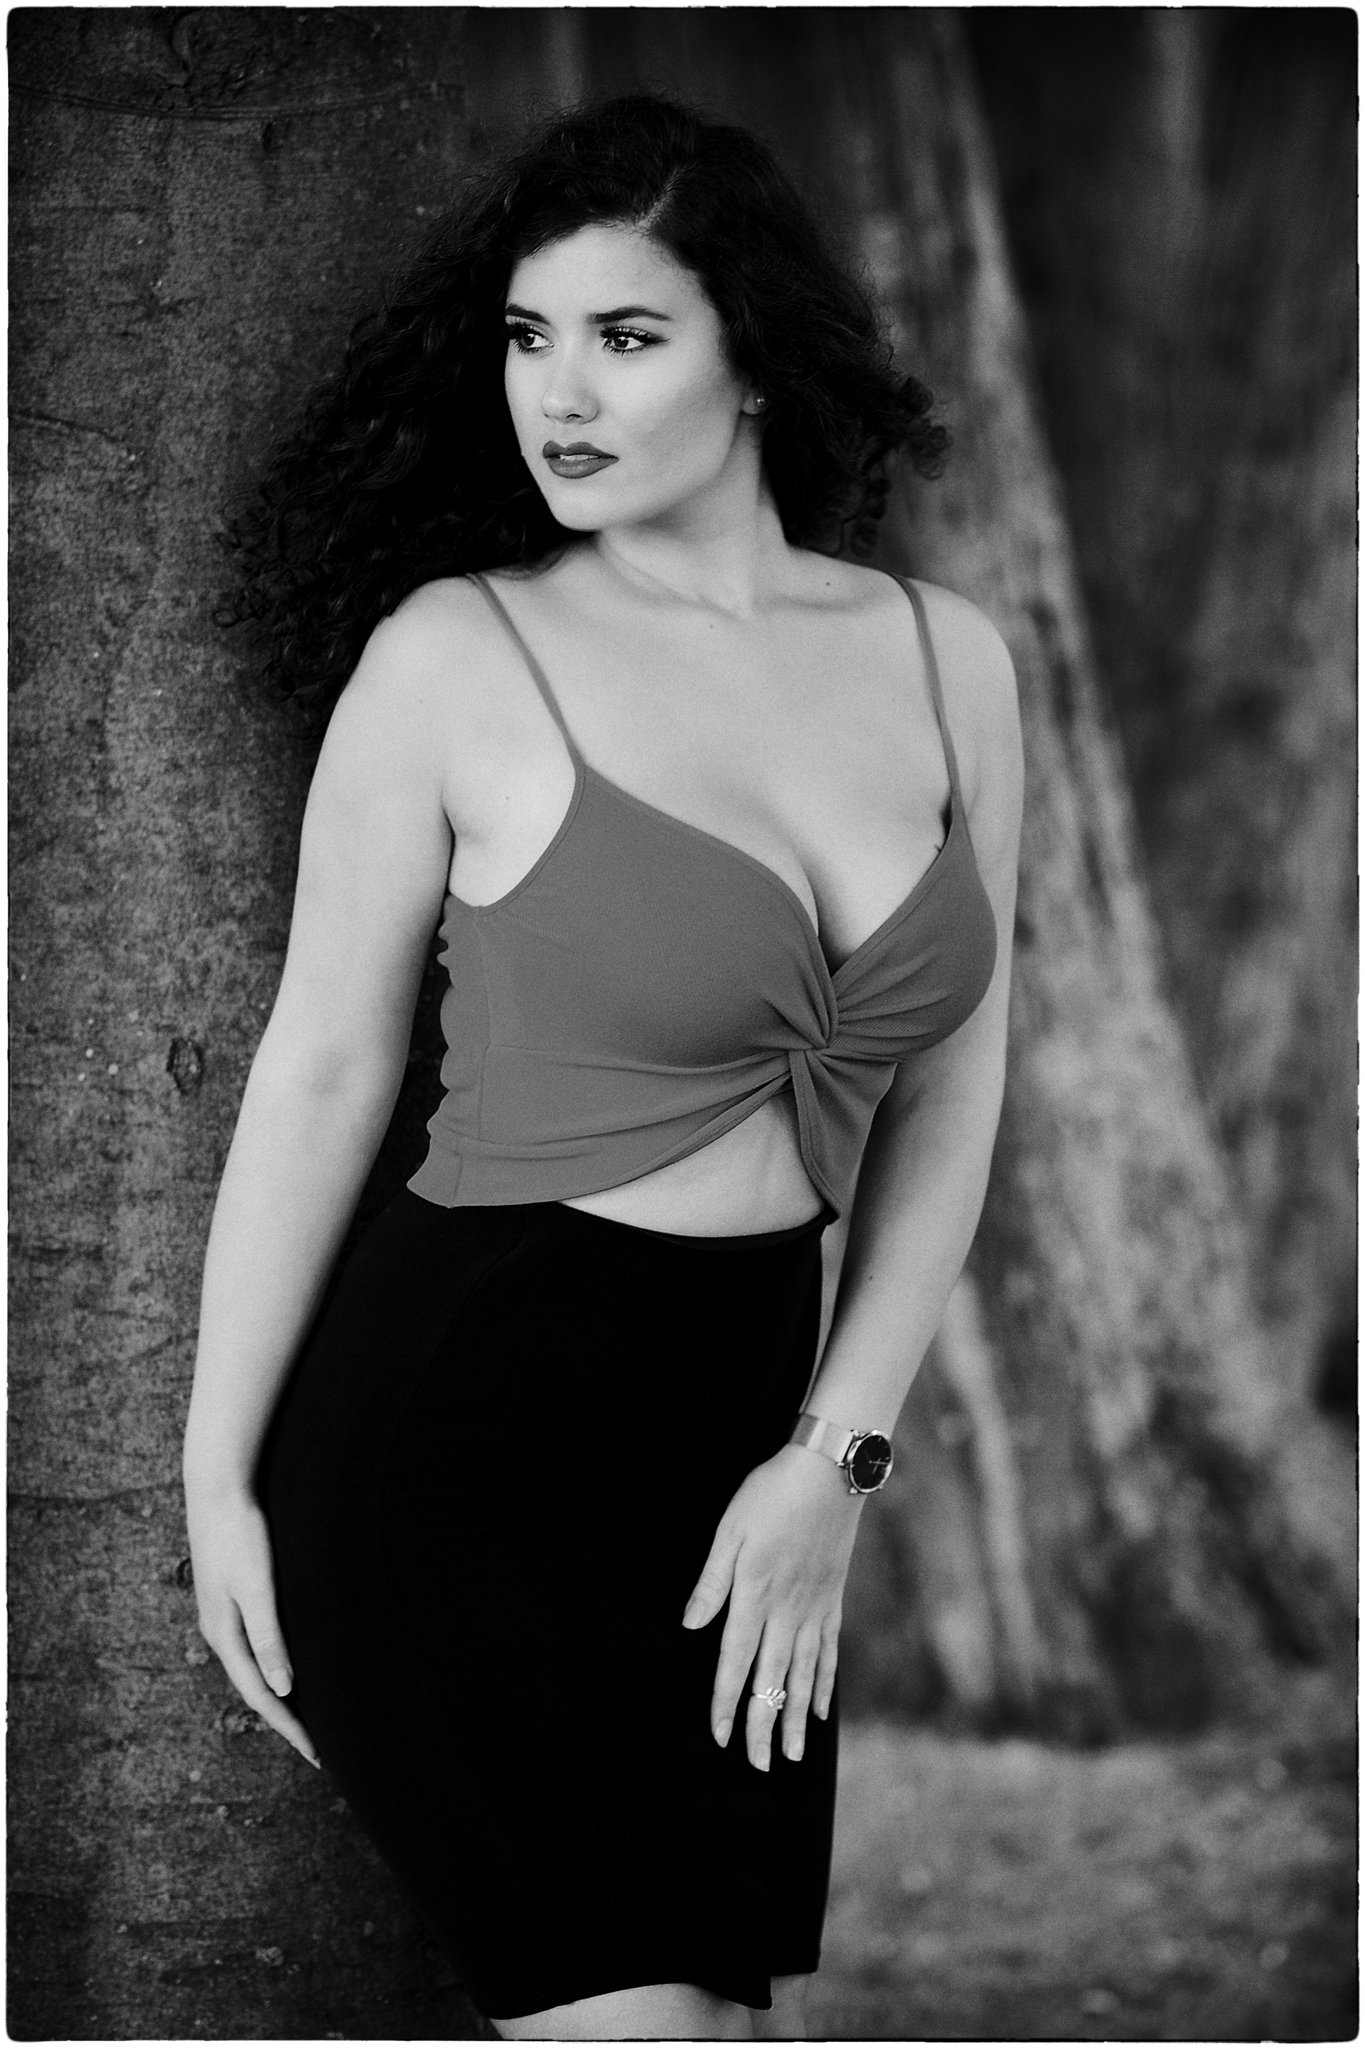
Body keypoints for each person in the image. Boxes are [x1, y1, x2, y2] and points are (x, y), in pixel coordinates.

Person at [182, 92, 1021, 2043]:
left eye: (624, 337)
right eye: (525, 337)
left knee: (724, 2032)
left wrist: (833, 1457)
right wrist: (216, 1475)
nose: (557, 393)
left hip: (746, 1447)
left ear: (755, 360)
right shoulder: (455, 656)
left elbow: (953, 1087)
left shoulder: (946, 660)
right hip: (461, 1447)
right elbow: (322, 1069)